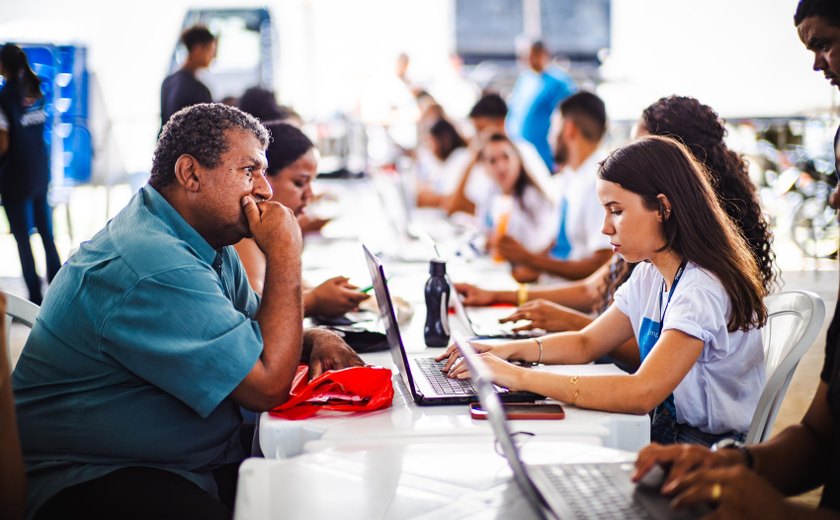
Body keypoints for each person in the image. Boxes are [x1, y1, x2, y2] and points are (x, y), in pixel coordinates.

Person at [12, 104, 363, 519]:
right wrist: (286, 251)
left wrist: (317, 336)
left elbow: (254, 334)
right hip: (90, 478)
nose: (265, 190)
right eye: (249, 171)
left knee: (316, 493)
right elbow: (267, 385)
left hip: (180, 463)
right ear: (190, 174)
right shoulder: (154, 263)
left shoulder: (202, 237)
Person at [630, 2, 840, 515]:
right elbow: (817, 439)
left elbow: (642, 389)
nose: (833, 200)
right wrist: (734, 466)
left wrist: (766, 509)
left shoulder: (702, 276)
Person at [440, 136, 768, 447]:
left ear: (662, 208)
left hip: (704, 447)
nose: (605, 227)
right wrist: (499, 351)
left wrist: (518, 377)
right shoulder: (650, 274)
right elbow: (586, 343)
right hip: (666, 430)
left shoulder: (700, 288)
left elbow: (642, 392)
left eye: (617, 210)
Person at [457, 96, 778, 343]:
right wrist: (502, 296)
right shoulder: (650, 260)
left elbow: (646, 357)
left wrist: (574, 325)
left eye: (638, 146)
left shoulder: (692, 264)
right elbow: (594, 289)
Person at [234, 122, 369, 318]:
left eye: (311, 182)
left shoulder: (266, 234)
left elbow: (293, 284)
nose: (310, 194)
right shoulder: (242, 239)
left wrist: (333, 294)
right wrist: (315, 301)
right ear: (264, 179)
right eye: (299, 183)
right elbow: (256, 311)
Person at [494, 91, 613, 283]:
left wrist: (529, 259)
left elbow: (601, 264)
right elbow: (558, 245)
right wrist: (526, 264)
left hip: (575, 297)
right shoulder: (570, 177)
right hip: (553, 283)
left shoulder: (601, 181)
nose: (549, 137)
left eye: (552, 127)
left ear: (568, 129)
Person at [0, 43, 62, 305]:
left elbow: (2, 143)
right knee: (48, 236)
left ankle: (36, 301)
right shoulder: (36, 89)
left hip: (15, 178)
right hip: (39, 173)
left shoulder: (4, 97)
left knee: (24, 241)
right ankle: (61, 294)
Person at [443, 93, 552, 217]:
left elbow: (547, 200)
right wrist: (472, 158)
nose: (478, 137)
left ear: (501, 123)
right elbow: (453, 205)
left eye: (481, 129)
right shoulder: (482, 157)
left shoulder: (523, 152)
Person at [475, 133, 557, 257]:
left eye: (506, 157)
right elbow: (482, 231)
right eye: (492, 161)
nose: (501, 167)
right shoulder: (489, 194)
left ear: (517, 159)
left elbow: (545, 243)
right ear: (484, 166)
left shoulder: (533, 196)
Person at [506, 40, 577, 172]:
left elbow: (569, 121)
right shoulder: (524, 79)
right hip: (520, 157)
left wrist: (563, 157)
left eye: (533, 55)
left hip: (546, 158)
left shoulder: (559, 83)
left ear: (544, 54)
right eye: (525, 56)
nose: (529, 60)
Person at [160, 25, 216, 130]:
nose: (213, 56)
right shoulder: (198, 89)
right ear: (198, 49)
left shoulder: (168, 81)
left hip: (165, 144)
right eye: (211, 50)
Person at [415, 117, 472, 207]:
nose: (430, 148)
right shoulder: (448, 161)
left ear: (443, 140)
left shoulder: (461, 157)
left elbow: (450, 198)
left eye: (431, 142)